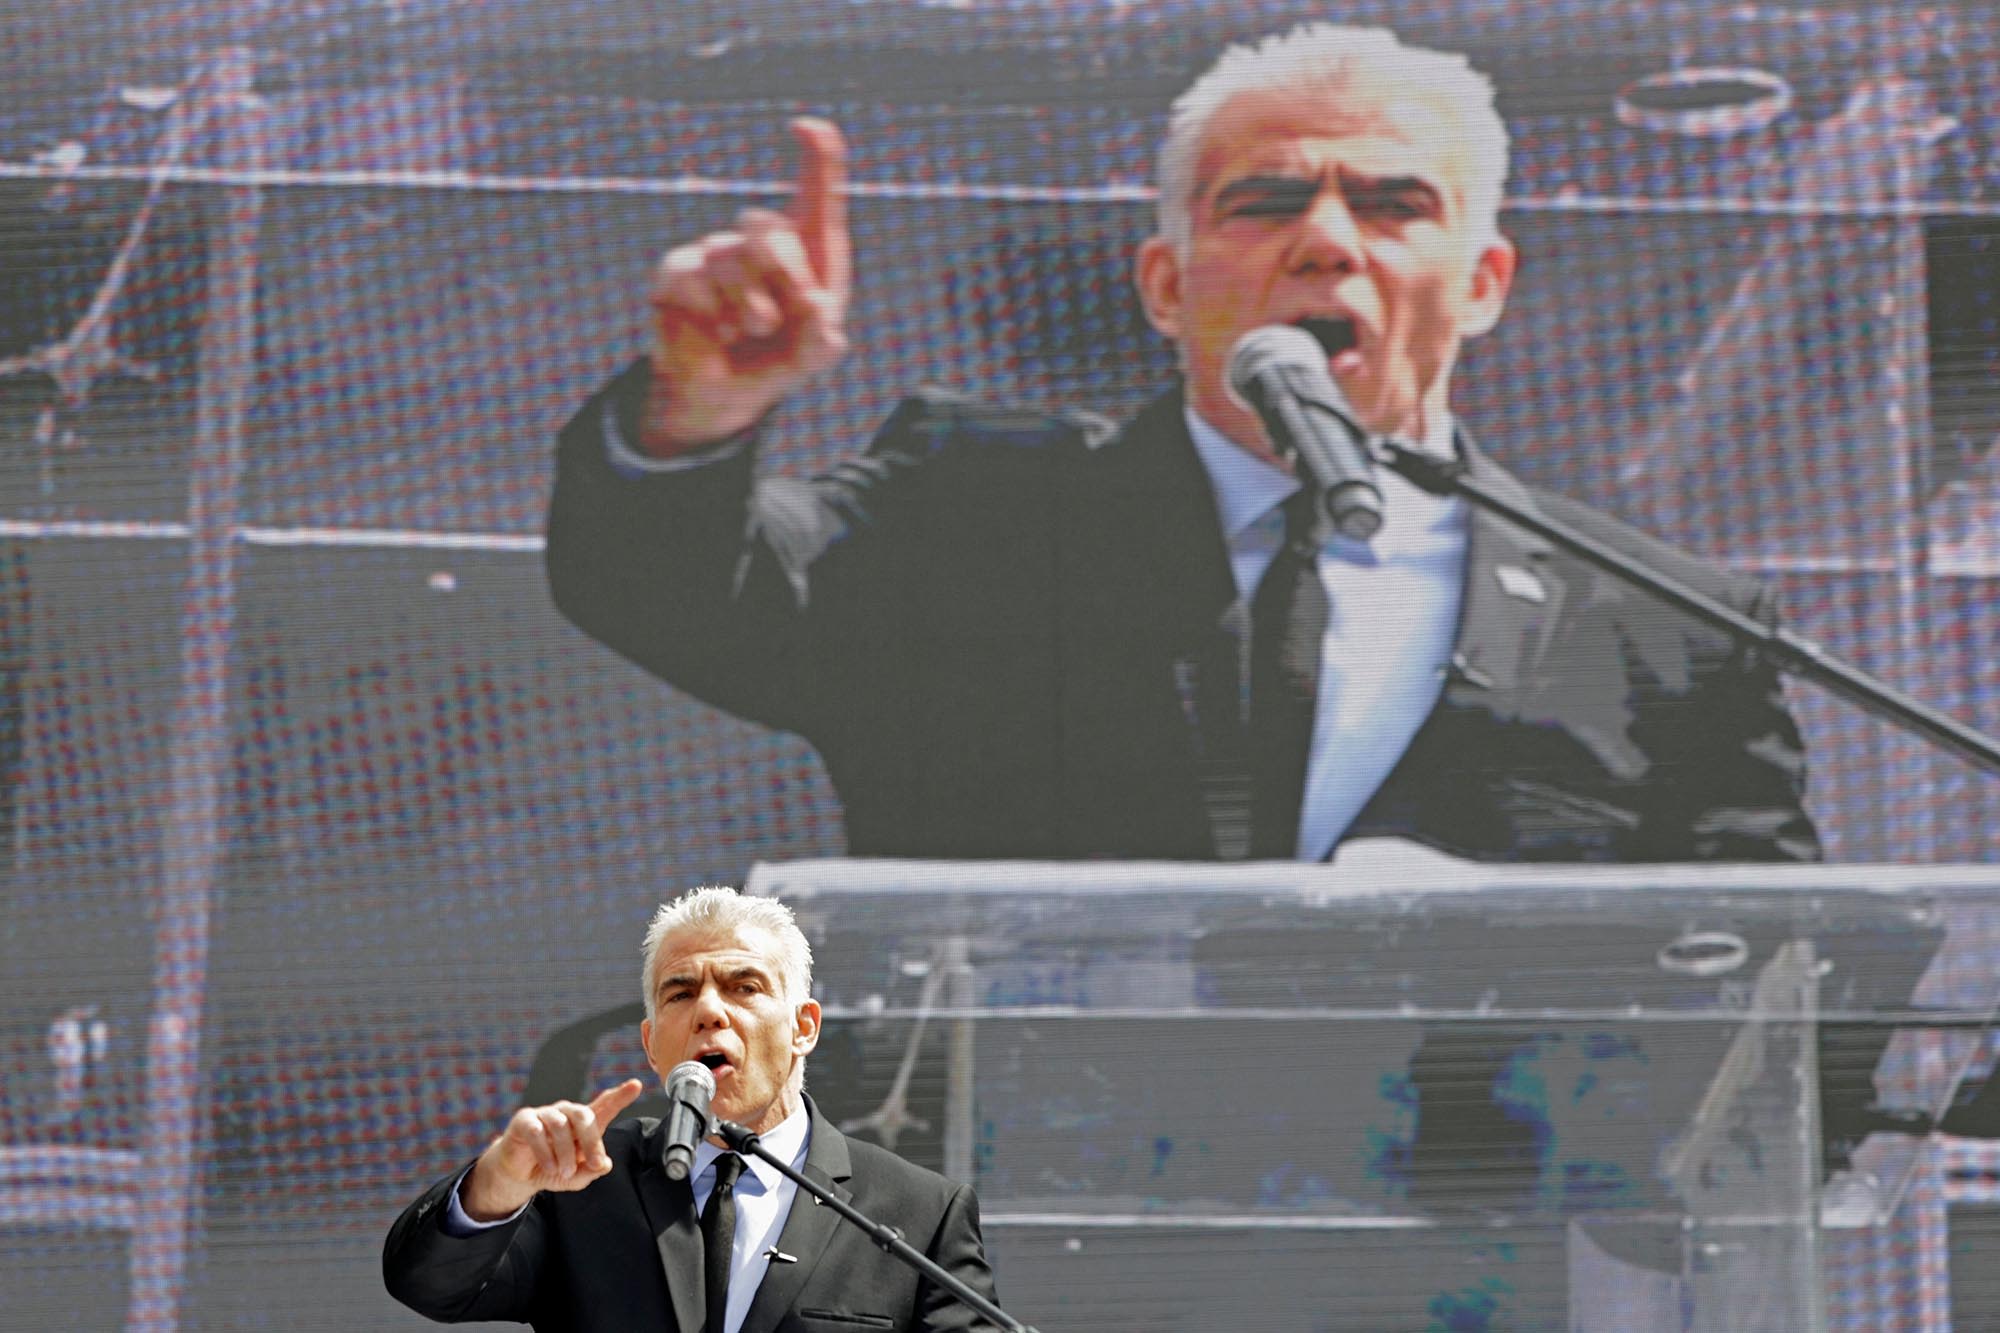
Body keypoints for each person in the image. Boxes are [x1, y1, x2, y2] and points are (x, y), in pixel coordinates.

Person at [544, 22, 1820, 864]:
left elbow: (1779, 1028)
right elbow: (674, 588)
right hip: (1020, 1249)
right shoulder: (979, 512)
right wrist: (699, 412)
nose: (1325, 241)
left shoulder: (1668, 631)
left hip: (1479, 1262)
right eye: (1262, 202)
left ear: (1483, 281)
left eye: (1391, 204)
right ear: (1163, 286)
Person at [383, 886, 1000, 1331]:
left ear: (804, 1027)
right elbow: (431, 1287)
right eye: (681, 992)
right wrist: (499, 1182)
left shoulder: (918, 1213)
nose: (709, 1010)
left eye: (744, 987)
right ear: (653, 1046)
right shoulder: (582, 1180)